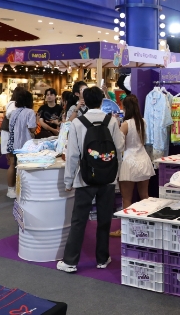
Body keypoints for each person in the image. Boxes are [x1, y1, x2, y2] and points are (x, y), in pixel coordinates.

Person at [58, 87, 125, 273]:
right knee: (104, 220)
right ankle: (102, 259)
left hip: (85, 178)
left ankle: (70, 261)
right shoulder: (111, 121)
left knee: (79, 220)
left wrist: (68, 181)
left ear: (85, 102)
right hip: (108, 178)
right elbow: (119, 148)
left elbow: (72, 155)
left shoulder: (77, 123)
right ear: (102, 101)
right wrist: (116, 176)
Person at [111, 94, 154, 238]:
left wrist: (116, 127)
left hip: (130, 162)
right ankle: (147, 227)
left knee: (127, 198)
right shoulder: (143, 122)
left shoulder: (125, 124)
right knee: (145, 196)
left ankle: (126, 230)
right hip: (144, 160)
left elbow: (119, 146)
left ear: (125, 107)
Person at [6, 89, 36, 199]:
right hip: (25, 144)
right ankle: (23, 190)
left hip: (13, 143)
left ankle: (11, 190)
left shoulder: (14, 112)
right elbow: (32, 129)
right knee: (25, 167)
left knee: (13, 165)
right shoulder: (30, 112)